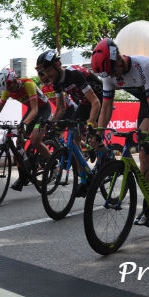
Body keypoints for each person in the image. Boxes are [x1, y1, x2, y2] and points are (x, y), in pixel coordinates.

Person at [91, 38, 149, 226]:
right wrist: (98, 135)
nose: (113, 77)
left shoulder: (143, 66)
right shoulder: (108, 73)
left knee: (145, 142)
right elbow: (106, 108)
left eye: (113, 71)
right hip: (147, 99)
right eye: (108, 74)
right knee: (144, 147)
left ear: (119, 59)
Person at [36, 49, 104, 196]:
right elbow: (60, 108)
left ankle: (106, 159)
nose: (47, 75)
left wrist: (91, 123)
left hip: (99, 100)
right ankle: (85, 178)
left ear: (58, 65)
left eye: (48, 70)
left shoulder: (74, 75)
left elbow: (95, 102)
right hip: (84, 103)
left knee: (94, 137)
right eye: (44, 72)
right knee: (73, 140)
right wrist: (50, 123)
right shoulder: (56, 83)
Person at [0, 67, 53, 191]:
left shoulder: (28, 84)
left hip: (43, 109)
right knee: (19, 143)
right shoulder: (7, 90)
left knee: (35, 139)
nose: (9, 90)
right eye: (7, 89)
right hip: (32, 111)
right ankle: (23, 176)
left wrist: (24, 124)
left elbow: (35, 109)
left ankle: (53, 163)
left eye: (10, 87)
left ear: (15, 80)